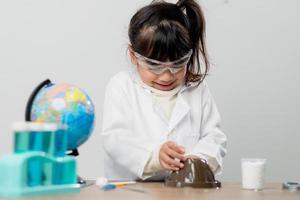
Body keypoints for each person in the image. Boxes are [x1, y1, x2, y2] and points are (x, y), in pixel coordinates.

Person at [101, 0, 227, 181]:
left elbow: (214, 137)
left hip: (186, 190)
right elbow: (114, 139)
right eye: (154, 65)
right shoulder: (122, 86)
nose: (166, 76)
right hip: (131, 191)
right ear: (133, 56)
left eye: (177, 64)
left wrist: (198, 159)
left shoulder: (197, 90)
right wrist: (153, 157)